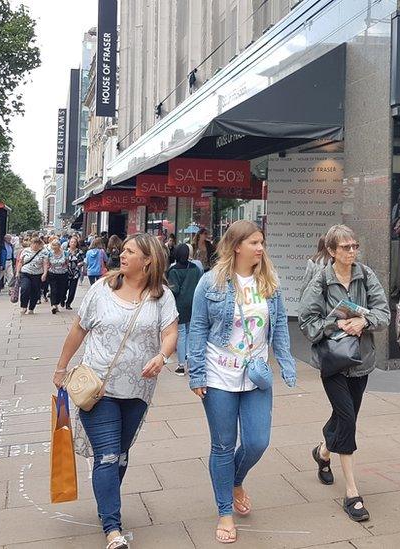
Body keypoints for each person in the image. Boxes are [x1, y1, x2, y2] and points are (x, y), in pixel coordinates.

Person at [53, 234, 178, 549]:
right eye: (123, 250)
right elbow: (78, 329)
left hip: (138, 389)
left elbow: (170, 332)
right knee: (107, 455)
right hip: (99, 388)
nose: (122, 255)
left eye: (130, 251)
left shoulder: (162, 296)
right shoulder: (102, 290)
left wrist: (161, 356)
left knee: (120, 456)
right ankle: (112, 528)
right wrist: (61, 367)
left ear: (147, 260)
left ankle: (105, 499)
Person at [187, 220, 297, 544]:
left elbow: (278, 329)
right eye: (254, 243)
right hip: (219, 373)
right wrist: (196, 373)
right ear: (237, 246)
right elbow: (197, 328)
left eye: (262, 242)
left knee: (256, 442)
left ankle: (235, 480)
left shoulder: (270, 284)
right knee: (222, 445)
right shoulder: (210, 283)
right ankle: (224, 511)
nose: (261, 248)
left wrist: (286, 363)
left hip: (256, 374)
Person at [298, 224, 390, 523]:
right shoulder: (321, 281)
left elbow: (383, 313)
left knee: (344, 416)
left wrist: (363, 321)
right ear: (332, 251)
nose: (352, 251)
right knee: (348, 419)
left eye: (354, 246)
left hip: (360, 360)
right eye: (346, 247)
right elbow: (307, 321)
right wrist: (336, 324)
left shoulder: (367, 275)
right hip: (333, 362)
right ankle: (352, 493)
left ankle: (323, 452)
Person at [166, 243, 202, 376]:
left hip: (179, 306)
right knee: (191, 334)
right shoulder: (195, 268)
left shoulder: (173, 270)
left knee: (181, 334)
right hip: (194, 305)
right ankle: (191, 361)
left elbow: (173, 290)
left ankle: (181, 365)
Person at [16, 237, 46, 314]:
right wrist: (17, 272)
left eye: (37, 244)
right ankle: (24, 307)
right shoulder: (25, 251)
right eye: (33, 244)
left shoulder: (43, 252)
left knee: (35, 291)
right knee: (25, 288)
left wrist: (45, 273)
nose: (35, 245)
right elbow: (20, 262)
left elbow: (45, 263)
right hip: (25, 273)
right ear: (31, 244)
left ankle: (31, 308)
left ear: (39, 245)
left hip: (37, 274)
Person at [45, 240, 70, 314]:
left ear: (59, 246)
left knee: (61, 290)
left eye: (56, 245)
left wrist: (64, 267)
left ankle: (57, 303)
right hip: (52, 273)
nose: (54, 247)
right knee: (54, 289)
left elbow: (67, 263)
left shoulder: (65, 253)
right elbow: (47, 263)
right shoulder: (49, 254)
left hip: (63, 274)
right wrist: (45, 273)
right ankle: (54, 305)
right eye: (53, 245)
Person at [65, 236, 85, 310]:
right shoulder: (65, 251)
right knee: (64, 287)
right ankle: (63, 298)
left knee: (72, 289)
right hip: (66, 272)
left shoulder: (79, 252)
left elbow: (83, 261)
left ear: (77, 243)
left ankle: (68, 303)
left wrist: (79, 264)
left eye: (74, 242)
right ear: (69, 243)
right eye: (71, 242)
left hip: (75, 272)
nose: (73, 243)